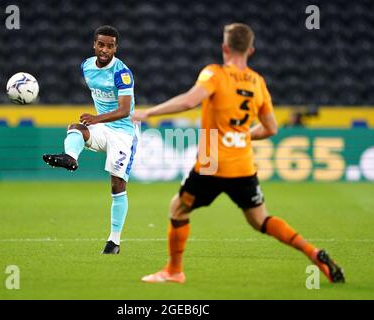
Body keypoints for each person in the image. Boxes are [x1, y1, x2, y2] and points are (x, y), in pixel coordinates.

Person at [132, 23, 344, 283]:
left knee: (178, 209)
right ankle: (312, 251)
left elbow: (189, 101)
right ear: (251, 50)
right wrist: (243, 135)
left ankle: (174, 271)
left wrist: (148, 112)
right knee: (260, 220)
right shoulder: (258, 82)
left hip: (212, 162)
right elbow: (271, 128)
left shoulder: (214, 74)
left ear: (224, 47)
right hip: (243, 165)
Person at [43, 25, 139, 254]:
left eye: (110, 46)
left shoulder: (122, 73)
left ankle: (114, 241)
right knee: (76, 128)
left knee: (117, 186)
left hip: (124, 133)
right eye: (101, 44)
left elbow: (125, 109)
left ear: (116, 47)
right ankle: (70, 158)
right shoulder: (86, 65)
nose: (105, 49)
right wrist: (97, 122)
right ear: (94, 44)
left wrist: (96, 118)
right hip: (102, 127)